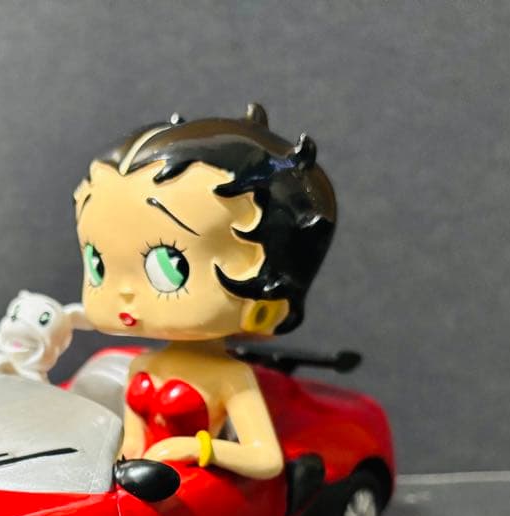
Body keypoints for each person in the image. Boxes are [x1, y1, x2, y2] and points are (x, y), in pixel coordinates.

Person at [73, 104, 336, 479]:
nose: (126, 292)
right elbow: (132, 441)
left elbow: (266, 460)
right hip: (143, 484)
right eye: (97, 263)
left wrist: (198, 449)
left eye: (170, 265)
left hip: (193, 484)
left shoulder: (231, 378)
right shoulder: (141, 366)